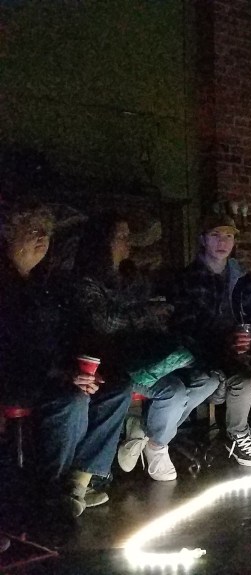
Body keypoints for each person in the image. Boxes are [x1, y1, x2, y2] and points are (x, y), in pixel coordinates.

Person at [0, 202, 132, 517]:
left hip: (53, 371)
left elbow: (61, 336)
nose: (41, 239)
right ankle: (52, 486)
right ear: (9, 236)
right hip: (19, 377)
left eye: (46, 233)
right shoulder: (6, 285)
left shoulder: (43, 283)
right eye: (33, 231)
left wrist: (80, 369)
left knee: (117, 388)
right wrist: (64, 374)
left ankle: (79, 481)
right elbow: (15, 349)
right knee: (73, 400)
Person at [68, 213, 220, 483]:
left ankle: (145, 432)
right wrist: (147, 313)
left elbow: (145, 313)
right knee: (173, 391)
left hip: (148, 353)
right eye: (122, 236)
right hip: (118, 361)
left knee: (208, 380)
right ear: (102, 242)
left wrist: (156, 314)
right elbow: (105, 322)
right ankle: (157, 445)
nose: (129, 243)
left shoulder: (131, 276)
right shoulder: (88, 282)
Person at [168, 214, 251, 466]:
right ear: (203, 240)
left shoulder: (245, 278)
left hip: (248, 347)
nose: (223, 242)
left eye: (228, 236)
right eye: (215, 235)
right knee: (245, 377)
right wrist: (224, 340)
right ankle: (238, 434)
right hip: (210, 351)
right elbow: (184, 326)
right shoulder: (188, 279)